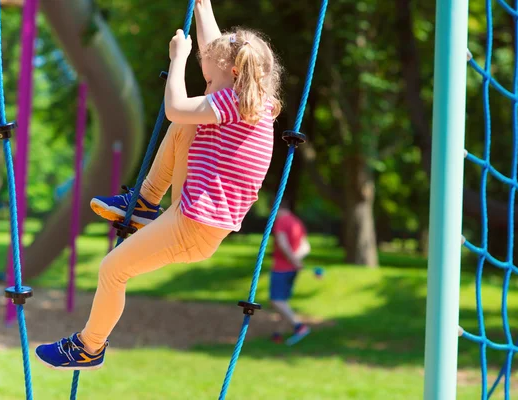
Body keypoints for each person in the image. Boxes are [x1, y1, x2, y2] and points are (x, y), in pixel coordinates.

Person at [35, 0, 283, 371]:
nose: (207, 81)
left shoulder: (230, 101)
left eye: (211, 78)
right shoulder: (251, 99)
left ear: (232, 73)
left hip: (195, 227)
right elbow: (214, 52)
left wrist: (178, 60)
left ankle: (89, 347)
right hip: (193, 215)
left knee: (112, 270)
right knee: (185, 125)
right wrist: (203, 5)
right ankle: (146, 201)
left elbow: (175, 106)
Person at [269, 200, 311, 345]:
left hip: (281, 268)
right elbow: (306, 246)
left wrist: (293, 260)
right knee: (283, 302)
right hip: (293, 269)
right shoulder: (296, 222)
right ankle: (278, 334)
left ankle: (299, 325)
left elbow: (282, 243)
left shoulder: (281, 221)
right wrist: (297, 260)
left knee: (276, 300)